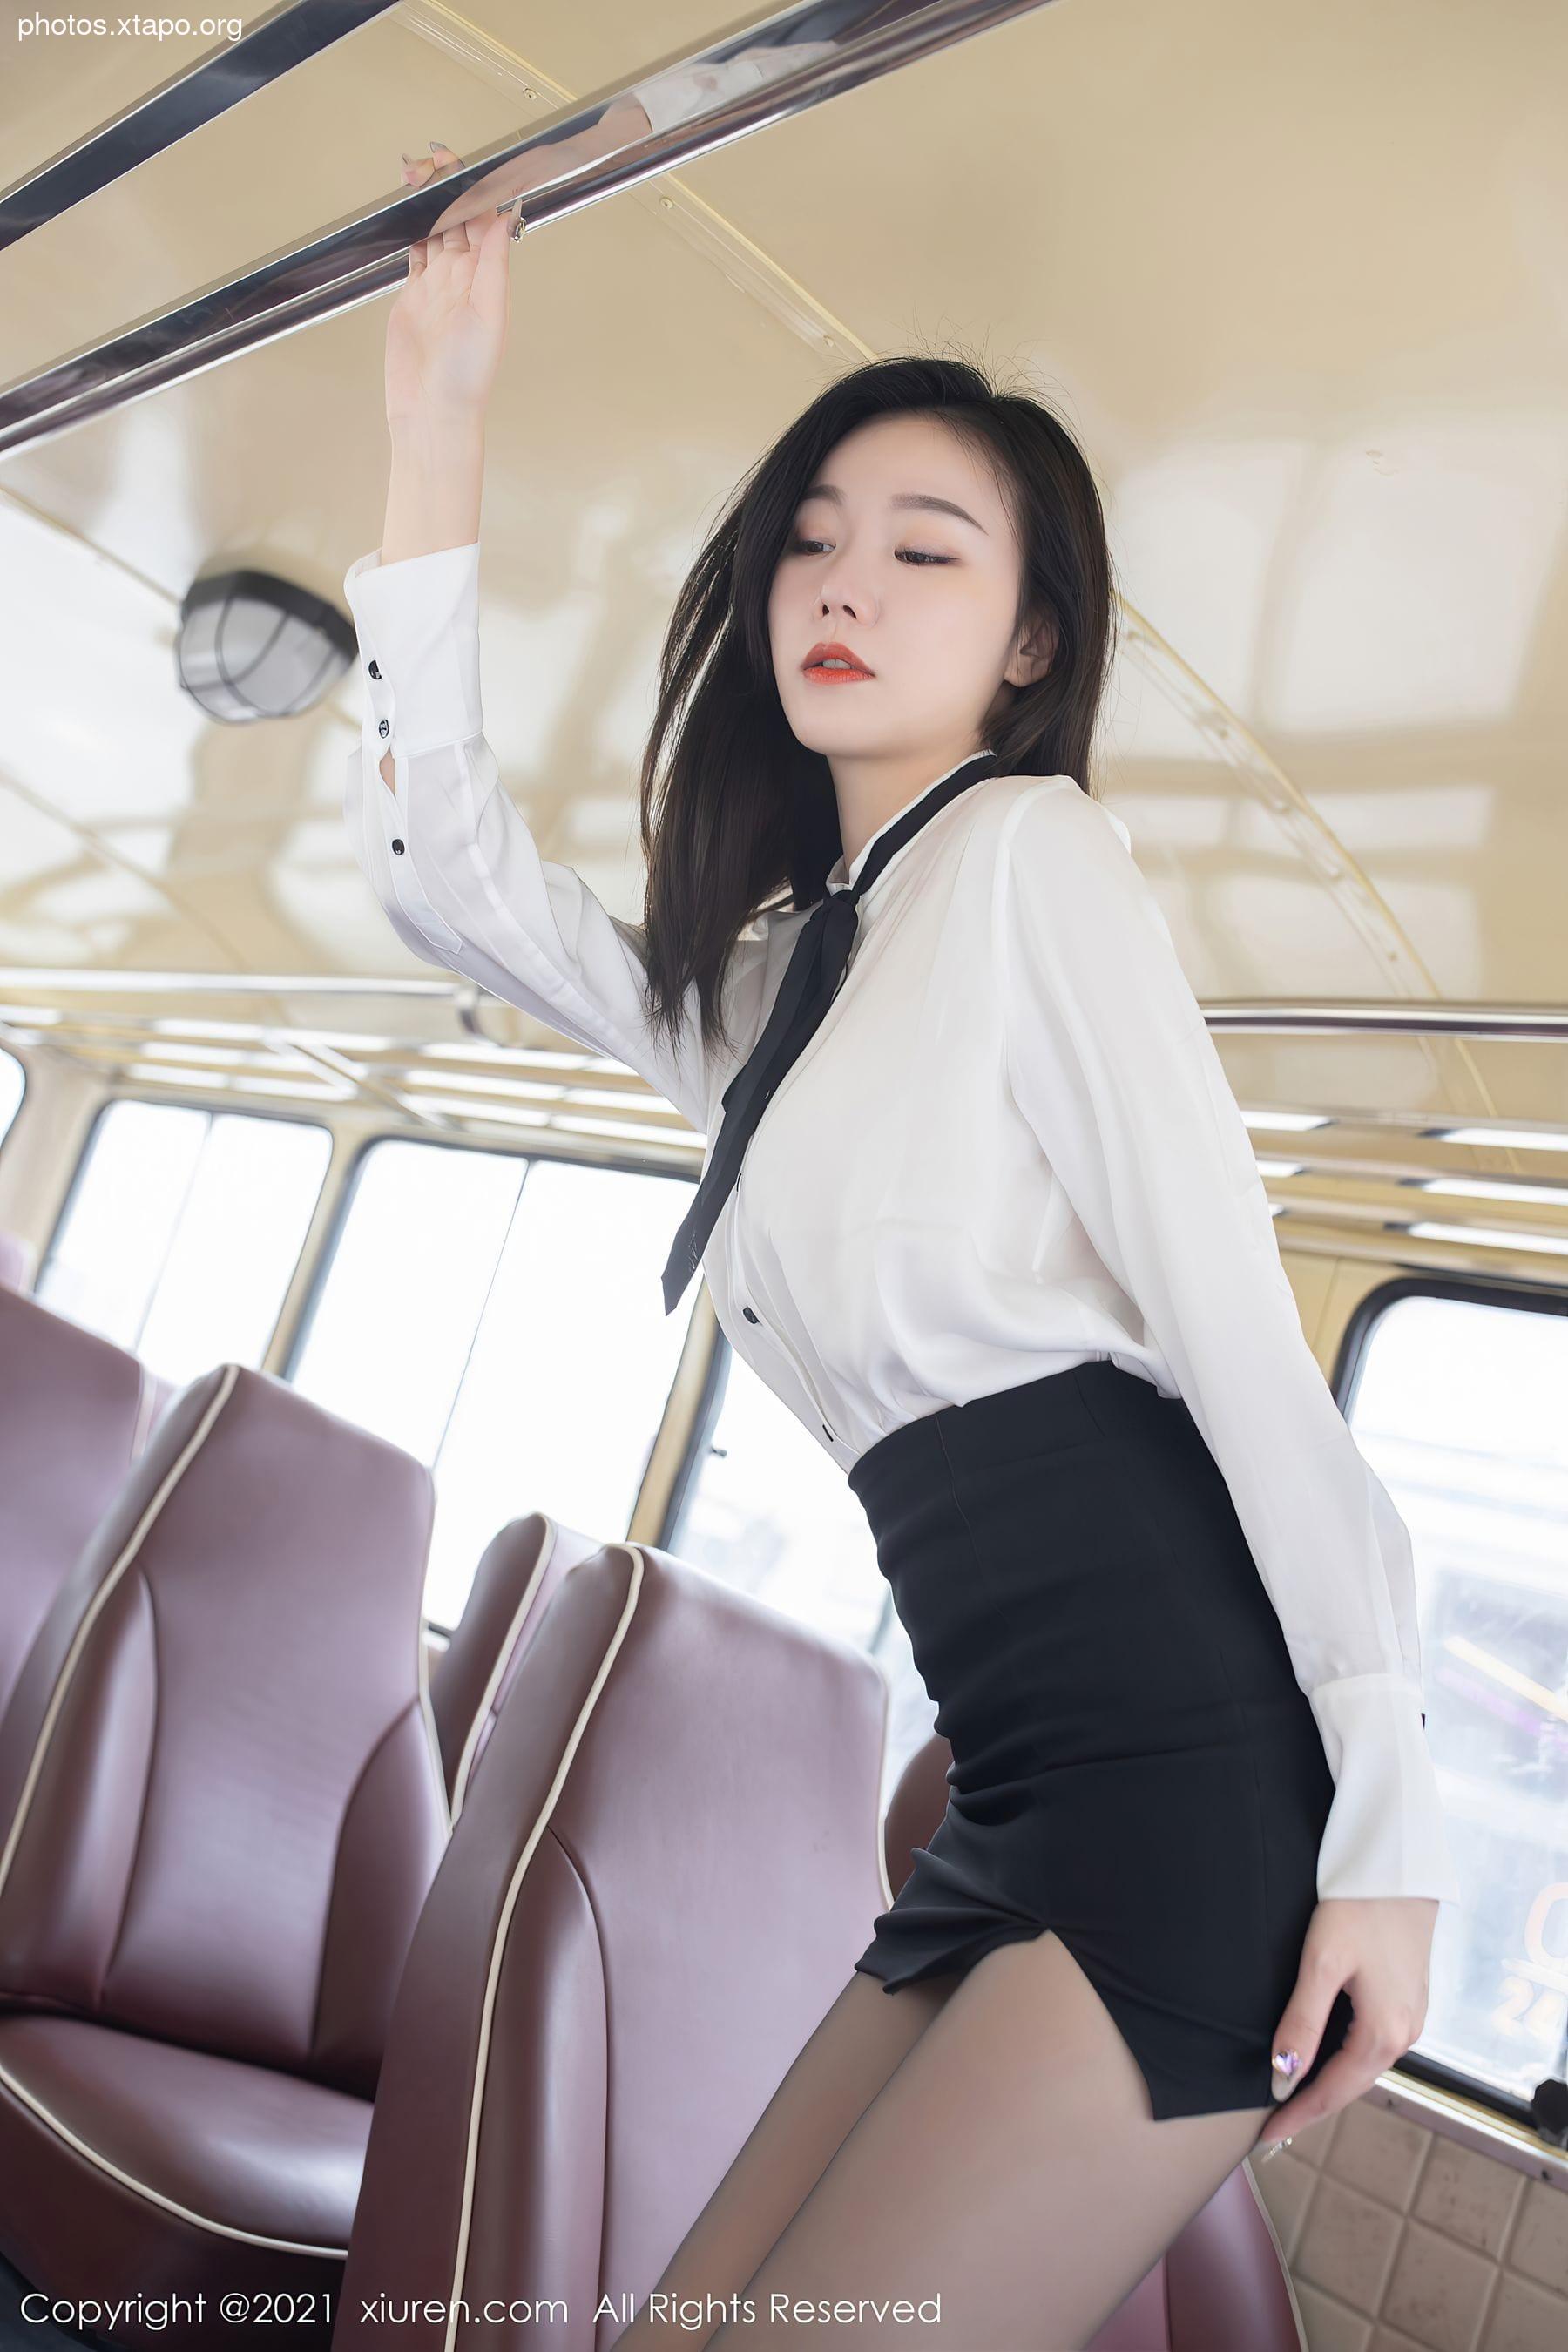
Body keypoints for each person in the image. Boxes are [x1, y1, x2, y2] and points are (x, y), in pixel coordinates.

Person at [340, 139, 1460, 2350]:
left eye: (925, 548)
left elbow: (1243, 1342)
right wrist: (436, 422)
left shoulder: (1036, 864)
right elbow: (448, 875)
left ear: (1029, 637)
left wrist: (1394, 1835)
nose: (842, 580)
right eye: (811, 544)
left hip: (1187, 1774)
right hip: (1012, 1786)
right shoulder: (772, 982)